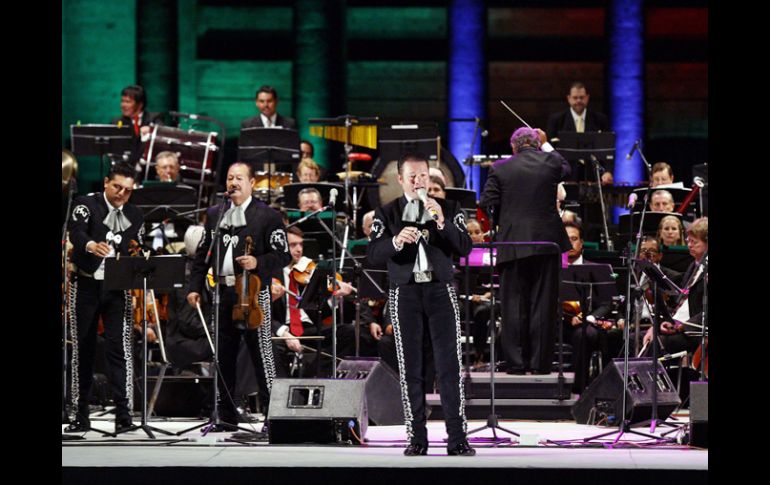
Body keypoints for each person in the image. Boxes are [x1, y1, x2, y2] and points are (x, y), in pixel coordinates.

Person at [367, 153, 475, 456]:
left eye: (423, 176)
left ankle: (457, 438)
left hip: (441, 289)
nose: (418, 182)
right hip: (406, 291)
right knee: (410, 367)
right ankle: (416, 437)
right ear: (400, 179)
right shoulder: (386, 213)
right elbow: (373, 254)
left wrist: (441, 222)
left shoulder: (450, 208)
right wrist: (396, 241)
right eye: (412, 176)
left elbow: (465, 247)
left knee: (449, 365)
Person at [186, 162, 291, 428]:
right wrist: (194, 288)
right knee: (223, 356)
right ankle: (225, 415)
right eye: (230, 178)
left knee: (262, 355)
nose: (233, 182)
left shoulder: (268, 216)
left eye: (239, 178)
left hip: (255, 293)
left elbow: (283, 255)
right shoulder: (214, 213)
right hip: (222, 292)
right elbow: (202, 255)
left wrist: (258, 262)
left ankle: (273, 416)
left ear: (252, 183)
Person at [480, 127, 572, 375]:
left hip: (512, 243)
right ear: (537, 143)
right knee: (543, 305)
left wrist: (506, 221)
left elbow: (487, 203)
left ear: (513, 147)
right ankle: (540, 365)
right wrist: (547, 144)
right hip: (546, 243)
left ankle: (516, 364)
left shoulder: (500, 167)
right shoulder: (551, 161)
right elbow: (567, 167)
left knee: (512, 305)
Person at [65, 162, 146, 434]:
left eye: (128, 190)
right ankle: (80, 414)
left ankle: (124, 415)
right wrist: (90, 245)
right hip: (85, 284)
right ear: (105, 183)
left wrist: (138, 253)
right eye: (117, 187)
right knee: (83, 350)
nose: (122, 193)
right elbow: (76, 232)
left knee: (120, 350)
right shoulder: (85, 204)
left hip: (116, 288)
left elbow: (137, 244)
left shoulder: (135, 214)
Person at [269, 226, 354, 377]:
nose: (299, 249)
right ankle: (283, 389)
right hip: (284, 329)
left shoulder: (307, 274)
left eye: (301, 244)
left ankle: (312, 376)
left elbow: (318, 312)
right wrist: (284, 333)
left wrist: (335, 297)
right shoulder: (271, 274)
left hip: (308, 328)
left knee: (348, 332)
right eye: (293, 245)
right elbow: (264, 314)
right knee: (273, 346)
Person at [643, 217, 707, 356]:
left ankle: (656, 378)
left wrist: (682, 326)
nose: (689, 245)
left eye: (694, 242)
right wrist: (664, 323)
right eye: (688, 240)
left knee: (658, 343)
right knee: (634, 338)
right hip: (680, 325)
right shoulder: (694, 265)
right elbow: (679, 302)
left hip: (697, 330)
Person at [546, 82, 612, 185]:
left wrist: (608, 171)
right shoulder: (556, 120)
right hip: (566, 176)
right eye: (575, 97)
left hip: (594, 177)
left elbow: (607, 148)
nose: (578, 101)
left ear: (587, 98)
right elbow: (550, 150)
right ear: (568, 98)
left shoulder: (600, 120)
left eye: (581, 97)